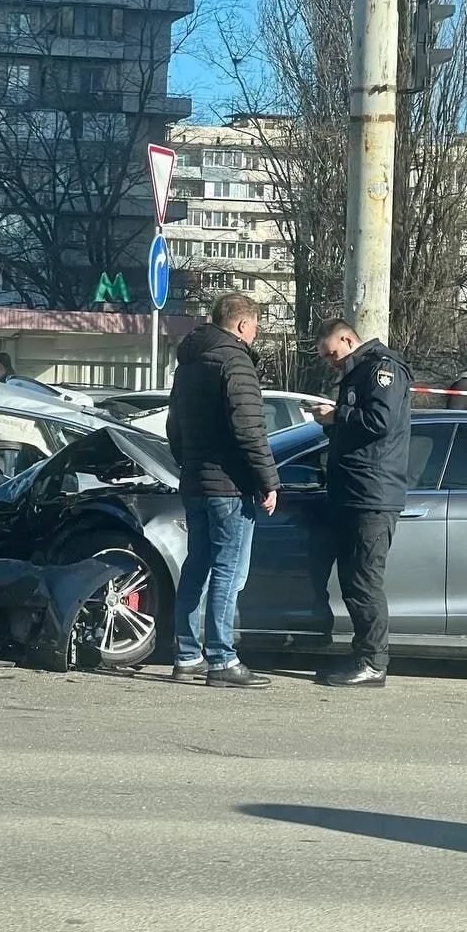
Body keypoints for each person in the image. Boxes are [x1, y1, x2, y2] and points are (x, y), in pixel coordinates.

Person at [166, 292, 279, 688]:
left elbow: (174, 427)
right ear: (243, 325)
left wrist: (189, 463)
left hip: (195, 479)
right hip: (230, 485)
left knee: (197, 564)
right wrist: (268, 480)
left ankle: (186, 655)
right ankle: (222, 659)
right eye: (256, 327)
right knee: (229, 571)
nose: (256, 334)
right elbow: (250, 430)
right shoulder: (235, 361)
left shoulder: (189, 364)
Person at [311, 318, 412, 687]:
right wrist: (332, 423)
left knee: (365, 581)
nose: (331, 362)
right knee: (353, 581)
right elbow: (360, 428)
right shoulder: (358, 373)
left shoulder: (382, 369)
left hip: (372, 495)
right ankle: (363, 656)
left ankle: (372, 663)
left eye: (333, 353)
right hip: (355, 492)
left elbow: (380, 421)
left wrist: (338, 415)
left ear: (348, 338)